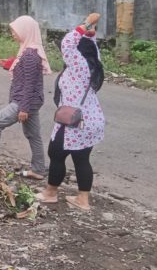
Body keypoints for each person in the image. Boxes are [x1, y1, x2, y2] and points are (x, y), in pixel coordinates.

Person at [37, 13, 105, 211]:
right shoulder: (94, 63)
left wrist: (85, 23)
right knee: (82, 159)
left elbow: (67, 43)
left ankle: (50, 193)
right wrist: (90, 34)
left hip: (73, 121)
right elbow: (89, 45)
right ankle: (83, 199)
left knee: (56, 154)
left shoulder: (77, 64)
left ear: (77, 52)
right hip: (92, 120)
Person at [0, 16, 52, 179]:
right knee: (33, 135)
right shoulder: (28, 50)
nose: (12, 34)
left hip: (24, 101)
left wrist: (23, 108)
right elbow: (24, 71)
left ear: (25, 31)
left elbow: (30, 83)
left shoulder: (30, 54)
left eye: (14, 31)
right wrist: (8, 64)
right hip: (32, 100)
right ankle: (38, 170)